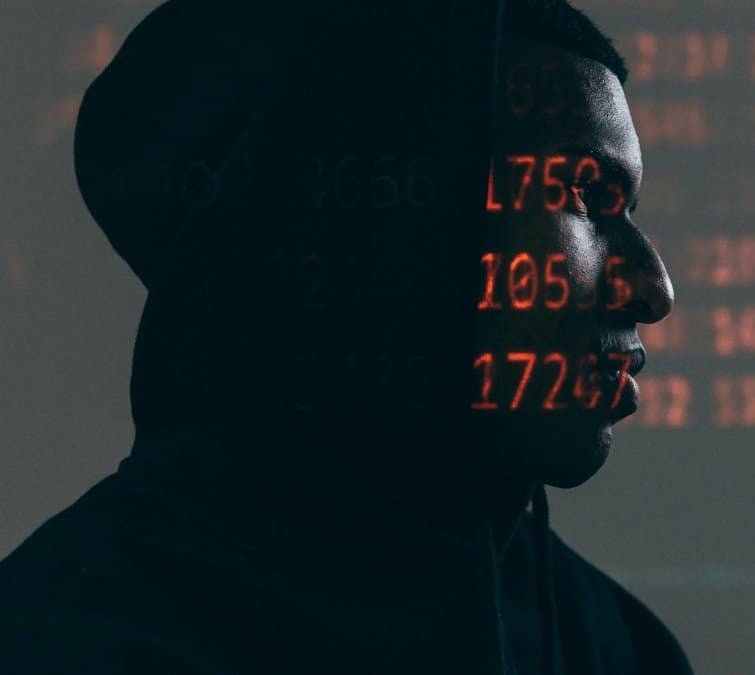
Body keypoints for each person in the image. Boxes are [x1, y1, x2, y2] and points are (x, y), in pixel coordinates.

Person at [0, 1, 691, 673]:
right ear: (371, 227)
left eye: (627, 209)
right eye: (585, 192)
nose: (653, 289)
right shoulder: (67, 641)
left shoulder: (619, 647)